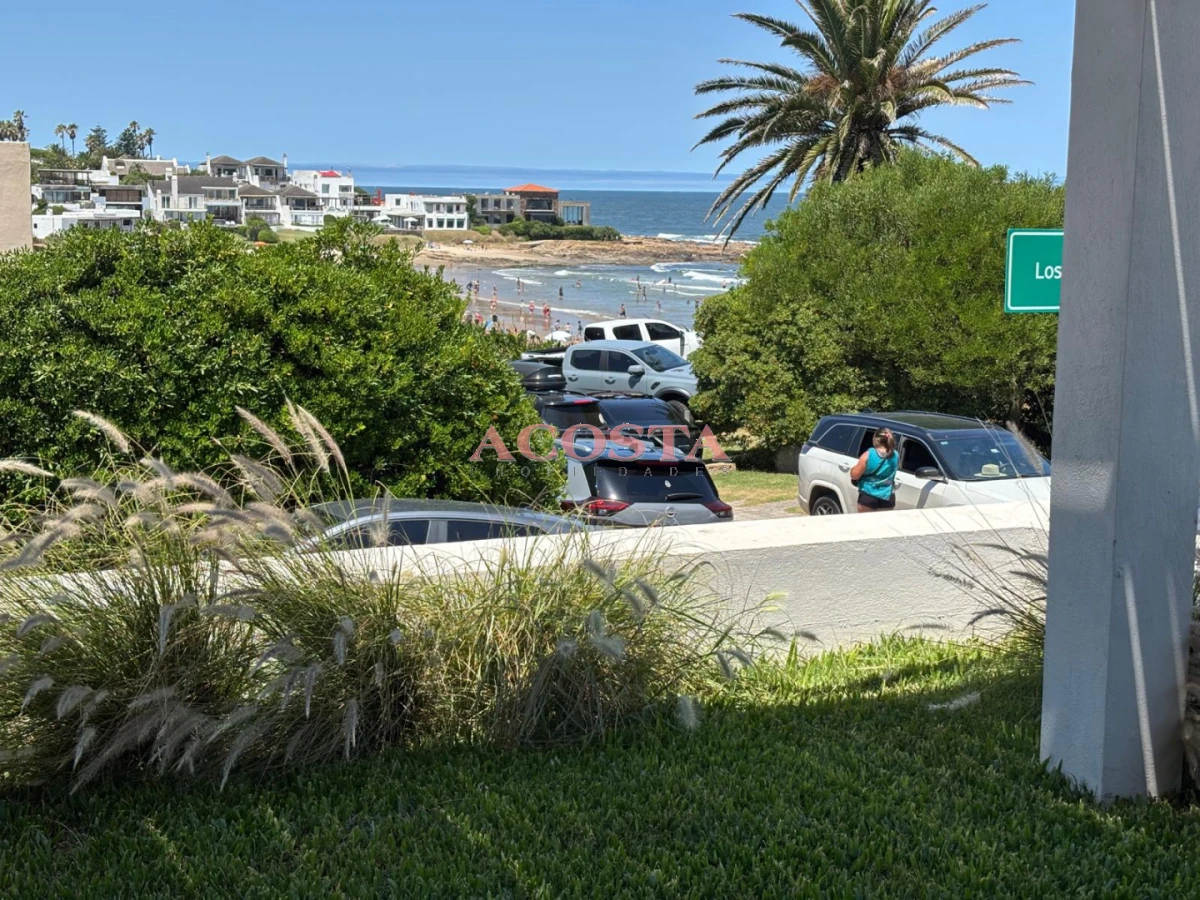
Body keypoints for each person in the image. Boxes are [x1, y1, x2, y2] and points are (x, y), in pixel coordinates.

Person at [850, 429, 898, 512]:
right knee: (883, 525)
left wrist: (852, 469)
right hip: (888, 496)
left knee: (866, 524)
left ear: (875, 439)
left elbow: (854, 475)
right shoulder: (896, 455)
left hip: (868, 494)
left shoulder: (870, 454)